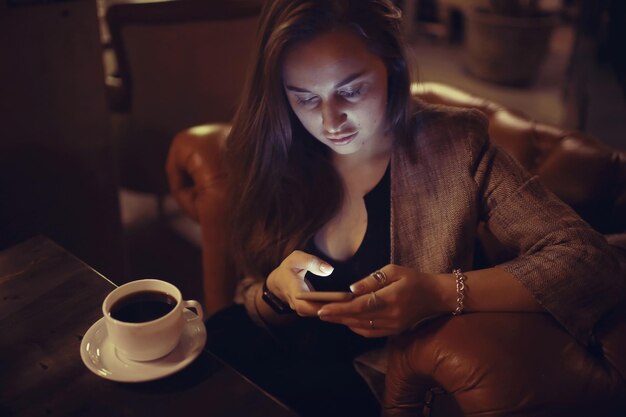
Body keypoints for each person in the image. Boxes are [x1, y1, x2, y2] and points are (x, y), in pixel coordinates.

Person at [197, 0, 624, 416]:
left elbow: (585, 260)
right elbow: (250, 294)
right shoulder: (276, 149)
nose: (330, 122)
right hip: (281, 354)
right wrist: (275, 293)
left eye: (351, 90)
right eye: (305, 98)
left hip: (372, 380)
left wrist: (439, 294)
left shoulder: (455, 147)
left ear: (392, 66)